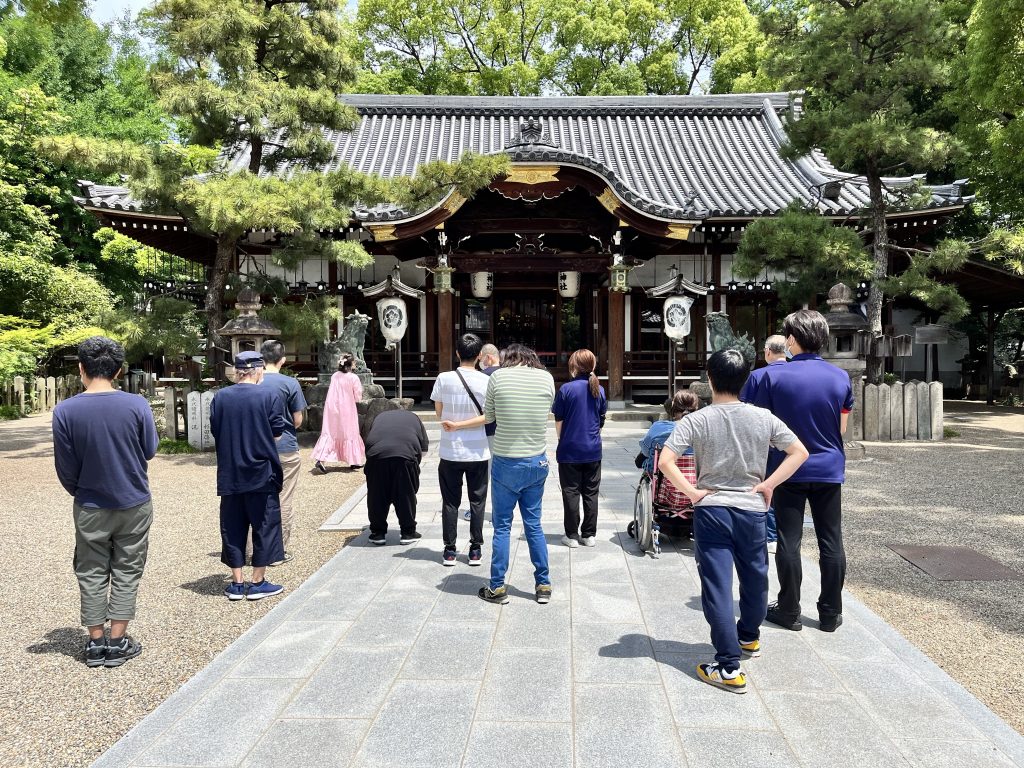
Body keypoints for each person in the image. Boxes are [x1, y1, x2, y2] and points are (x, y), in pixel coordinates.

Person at [659, 349, 808, 694]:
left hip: (712, 510)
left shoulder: (697, 420)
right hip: (752, 509)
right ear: (745, 380)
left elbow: (666, 461)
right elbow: (799, 452)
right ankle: (749, 637)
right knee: (755, 579)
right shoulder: (763, 417)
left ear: (710, 379)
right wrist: (769, 484)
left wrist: (693, 492)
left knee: (717, 587)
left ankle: (727, 665)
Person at [52, 336, 158, 668]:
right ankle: (118, 640)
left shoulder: (65, 411)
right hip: (133, 500)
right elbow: (150, 450)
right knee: (127, 568)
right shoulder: (137, 405)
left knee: (91, 570)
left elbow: (65, 468)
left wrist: (82, 492)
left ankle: (96, 642)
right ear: (119, 370)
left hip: (89, 504)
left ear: (81, 369)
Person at [747, 310, 854, 633]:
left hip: (785, 469)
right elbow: (842, 427)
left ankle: (790, 609)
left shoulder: (768, 377)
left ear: (792, 340)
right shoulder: (840, 377)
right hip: (829, 467)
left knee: (788, 540)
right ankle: (830, 612)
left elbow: (755, 427)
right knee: (831, 540)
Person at [443, 343, 555, 605]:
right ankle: (543, 584)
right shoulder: (547, 378)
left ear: (506, 358)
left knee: (502, 526)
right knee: (534, 525)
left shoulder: (498, 377)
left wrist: (458, 425)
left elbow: (489, 417)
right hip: (537, 460)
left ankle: (497, 587)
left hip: (506, 461)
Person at [210, 351, 287, 601]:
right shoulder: (269, 395)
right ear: (258, 370)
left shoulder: (220, 397)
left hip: (230, 472)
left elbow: (216, 430)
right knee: (264, 525)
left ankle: (236, 583)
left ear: (238, 371)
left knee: (232, 527)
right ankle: (257, 581)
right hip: (261, 472)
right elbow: (277, 433)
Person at [431, 333, 490, 566]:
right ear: (479, 356)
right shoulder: (487, 381)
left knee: (450, 501)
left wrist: (455, 423)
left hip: (450, 450)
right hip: (478, 451)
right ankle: (475, 549)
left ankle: (449, 550)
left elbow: (439, 412)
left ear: (457, 353)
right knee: (477, 500)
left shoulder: (444, 379)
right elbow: (489, 416)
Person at [252, 340, 307, 566]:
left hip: (255, 449)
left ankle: (251, 549)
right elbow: (298, 420)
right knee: (283, 499)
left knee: (255, 499)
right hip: (285, 447)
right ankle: (277, 551)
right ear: (282, 359)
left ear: (261, 358)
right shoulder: (289, 383)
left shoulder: (253, 383)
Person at [739, 334, 788, 553]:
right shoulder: (796, 374)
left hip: (765, 442)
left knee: (766, 485)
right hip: (794, 444)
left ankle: (770, 535)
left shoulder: (757, 376)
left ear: (767, 351)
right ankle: (786, 533)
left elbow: (743, 409)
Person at [553, 349, 607, 548]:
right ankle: (589, 534)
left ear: (574, 366)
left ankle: (571, 535)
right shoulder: (599, 389)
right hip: (592, 448)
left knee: (571, 492)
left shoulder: (566, 389)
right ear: (592, 366)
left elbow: (559, 420)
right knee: (591, 493)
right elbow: (601, 419)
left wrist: (562, 438)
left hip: (569, 449)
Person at [364, 409, 429, 545]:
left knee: (377, 494)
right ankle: (408, 532)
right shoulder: (414, 417)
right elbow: (423, 451)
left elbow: (370, 440)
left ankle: (377, 533)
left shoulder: (379, 416)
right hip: (405, 454)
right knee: (405, 493)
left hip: (376, 455)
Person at [312, 353, 364, 473]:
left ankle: (321, 459)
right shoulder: (353, 378)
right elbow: (357, 396)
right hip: (347, 408)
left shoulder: (335, 376)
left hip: (332, 407)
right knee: (349, 432)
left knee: (330, 432)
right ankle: (353, 460)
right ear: (350, 364)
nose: (355, 364)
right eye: (354, 362)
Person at [637, 389, 701, 474]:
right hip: (696, 475)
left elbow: (645, 451)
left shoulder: (659, 427)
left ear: (673, 407)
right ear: (696, 409)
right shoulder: (704, 430)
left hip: (663, 476)